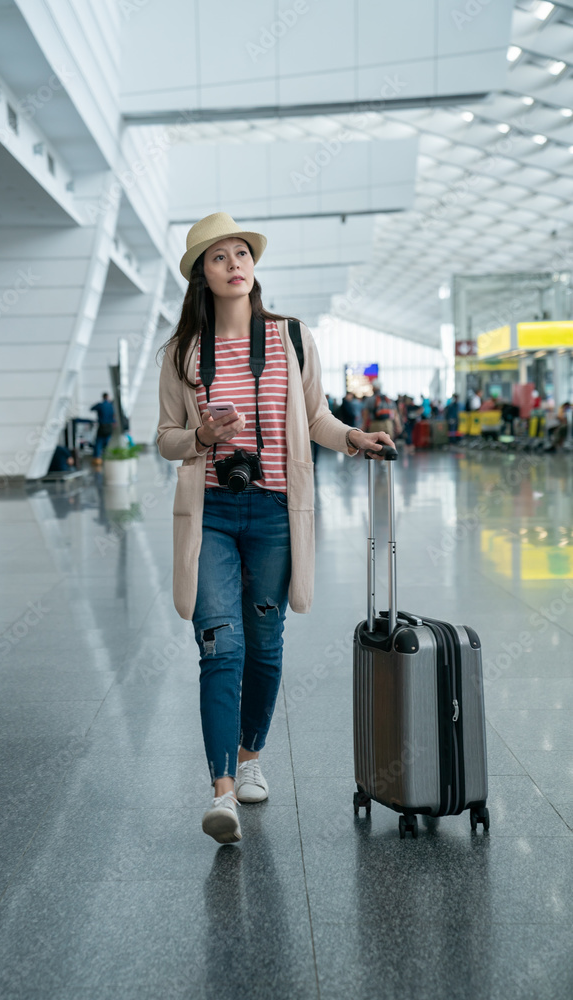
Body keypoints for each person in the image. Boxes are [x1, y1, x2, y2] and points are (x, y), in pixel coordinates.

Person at [156, 212, 395, 845]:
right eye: (218, 258)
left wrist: (353, 438)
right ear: (202, 277)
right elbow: (164, 439)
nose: (234, 264)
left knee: (263, 646)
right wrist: (202, 436)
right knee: (220, 647)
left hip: (272, 514)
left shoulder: (291, 337)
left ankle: (252, 753)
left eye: (242, 253)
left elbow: (315, 415)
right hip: (210, 515)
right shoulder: (182, 352)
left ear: (253, 267)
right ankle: (223, 791)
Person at [90, 393, 115, 462]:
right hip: (109, 427)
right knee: (107, 442)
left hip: (102, 426)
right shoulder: (111, 405)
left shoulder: (100, 405)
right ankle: (107, 457)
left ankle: (97, 458)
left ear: (103, 397)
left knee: (99, 442)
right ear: (108, 397)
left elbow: (91, 409)